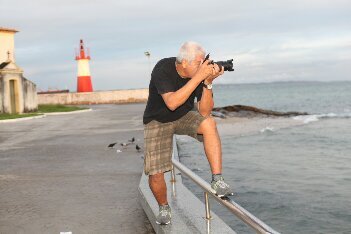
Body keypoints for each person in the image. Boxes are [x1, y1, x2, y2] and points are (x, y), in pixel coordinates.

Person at [143, 41, 233, 225]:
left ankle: (217, 179)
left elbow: (205, 112)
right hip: (157, 120)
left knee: (209, 123)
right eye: (199, 62)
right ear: (184, 62)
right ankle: (164, 207)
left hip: (183, 116)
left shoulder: (198, 75)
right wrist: (198, 77)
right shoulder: (163, 68)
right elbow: (172, 103)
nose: (203, 66)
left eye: (204, 62)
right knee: (156, 172)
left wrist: (207, 83)